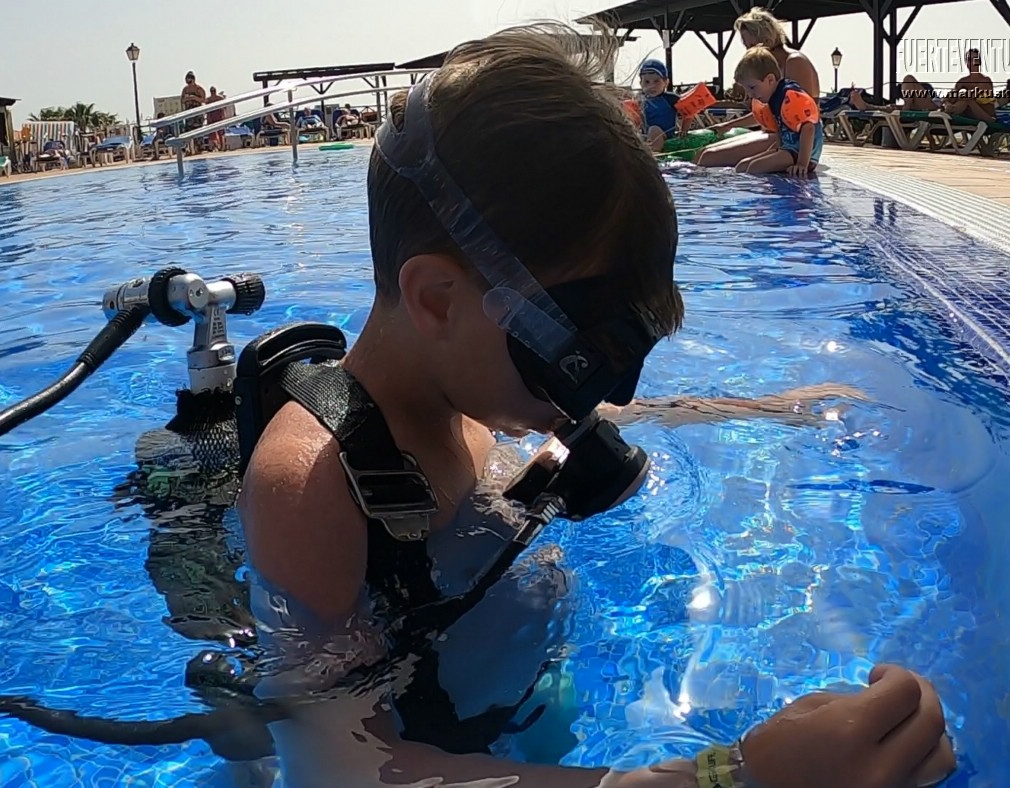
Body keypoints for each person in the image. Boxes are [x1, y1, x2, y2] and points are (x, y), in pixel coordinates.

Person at [238, 22, 956, 788]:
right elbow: (335, 767)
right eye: (576, 360)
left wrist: (759, 408)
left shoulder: (472, 396)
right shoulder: (312, 493)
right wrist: (733, 779)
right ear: (439, 300)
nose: (605, 392)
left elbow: (605, 414)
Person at [695, 7, 821, 168]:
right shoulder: (766, 68)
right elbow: (769, 112)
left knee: (709, 157)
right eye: (747, 46)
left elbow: (804, 117)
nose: (749, 52)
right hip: (773, 134)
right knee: (703, 153)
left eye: (752, 45)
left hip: (793, 142)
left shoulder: (794, 62)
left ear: (766, 40)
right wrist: (726, 126)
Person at [732, 45, 824, 177]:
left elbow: (809, 129)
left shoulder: (789, 97)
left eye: (752, 87)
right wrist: (772, 151)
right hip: (789, 148)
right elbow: (781, 131)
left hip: (802, 153)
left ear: (770, 80)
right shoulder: (774, 98)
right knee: (742, 166)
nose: (750, 95)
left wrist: (802, 164)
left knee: (754, 168)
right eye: (747, 90)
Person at [629, 58, 693, 152]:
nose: (651, 86)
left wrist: (684, 130)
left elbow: (688, 111)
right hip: (647, 135)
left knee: (654, 130)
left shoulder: (670, 98)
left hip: (665, 134)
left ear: (666, 82)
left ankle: (654, 152)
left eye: (656, 81)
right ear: (640, 83)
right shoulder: (640, 100)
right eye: (647, 82)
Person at [941, 48, 995, 122]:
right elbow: (947, 97)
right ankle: (948, 112)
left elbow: (971, 95)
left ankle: (949, 113)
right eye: (969, 60)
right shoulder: (962, 81)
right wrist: (947, 103)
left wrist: (956, 96)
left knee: (968, 100)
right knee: (956, 99)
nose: (972, 62)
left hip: (987, 116)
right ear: (966, 62)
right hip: (970, 114)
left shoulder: (985, 81)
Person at [181, 71, 208, 154]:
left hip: (197, 113)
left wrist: (194, 97)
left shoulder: (199, 89)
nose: (188, 83)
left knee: (198, 131)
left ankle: (198, 148)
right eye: (187, 82)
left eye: (190, 81)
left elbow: (204, 100)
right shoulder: (185, 89)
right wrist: (187, 98)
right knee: (188, 131)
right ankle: (189, 149)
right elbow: (182, 100)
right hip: (189, 113)